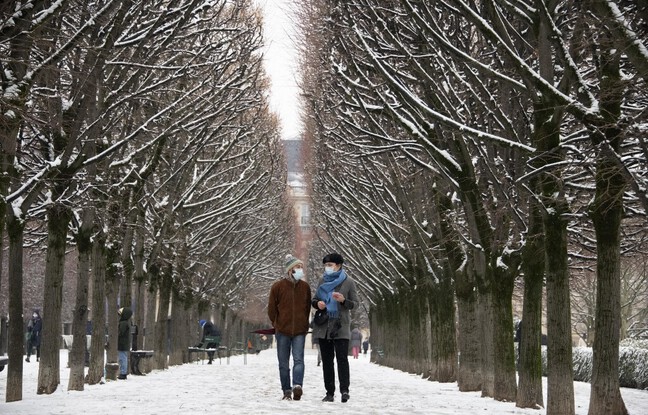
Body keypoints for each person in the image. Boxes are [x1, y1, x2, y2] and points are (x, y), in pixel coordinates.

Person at [312, 252, 358, 403]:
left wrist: (344, 300)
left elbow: (355, 304)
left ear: (338, 266)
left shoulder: (348, 282)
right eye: (326, 265)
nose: (327, 268)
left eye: (330, 265)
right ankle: (329, 392)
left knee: (342, 359)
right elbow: (314, 299)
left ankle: (345, 390)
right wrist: (318, 304)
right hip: (324, 326)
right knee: (327, 361)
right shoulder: (322, 280)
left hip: (340, 326)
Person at [267, 254, 312, 401]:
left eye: (301, 267)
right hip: (283, 331)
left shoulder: (305, 287)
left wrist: (304, 324)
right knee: (283, 363)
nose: (300, 270)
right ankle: (286, 390)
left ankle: (297, 386)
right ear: (290, 269)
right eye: (298, 267)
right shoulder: (277, 287)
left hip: (299, 330)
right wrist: (276, 324)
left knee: (299, 360)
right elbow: (272, 309)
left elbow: (307, 308)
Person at [117, 307, 133, 380]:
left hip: (122, 343)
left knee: (122, 358)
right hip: (124, 343)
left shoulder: (123, 323)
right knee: (123, 358)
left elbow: (120, 333)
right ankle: (123, 372)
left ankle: (123, 373)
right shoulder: (125, 322)